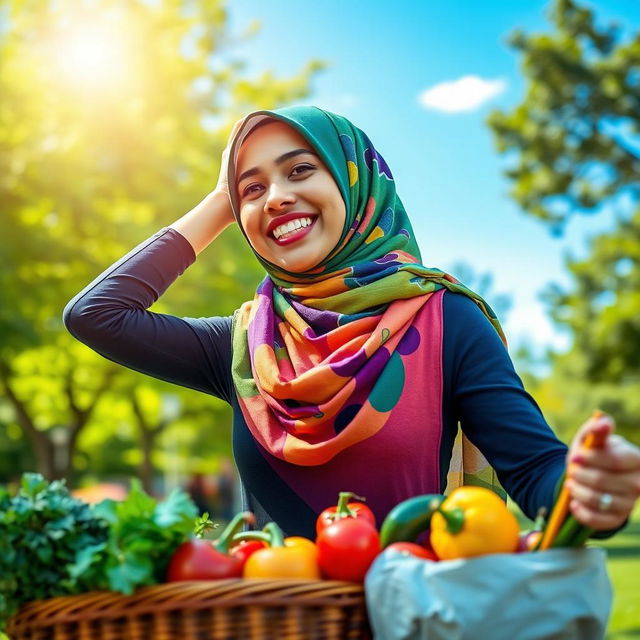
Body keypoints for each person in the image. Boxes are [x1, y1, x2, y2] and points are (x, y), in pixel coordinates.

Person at [63, 106, 640, 539]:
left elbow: (537, 469)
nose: (276, 198)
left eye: (300, 170)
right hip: (276, 617)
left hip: (413, 615)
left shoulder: (447, 320)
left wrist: (591, 488)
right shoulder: (243, 347)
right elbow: (97, 315)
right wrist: (219, 198)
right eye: (254, 188)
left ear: (356, 182)